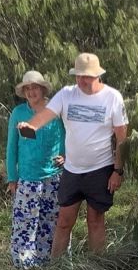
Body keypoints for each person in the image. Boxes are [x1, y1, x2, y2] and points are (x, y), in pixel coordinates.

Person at [18, 52, 128, 257]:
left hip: (100, 168)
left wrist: (118, 170)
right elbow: (47, 114)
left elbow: (122, 137)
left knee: (95, 221)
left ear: (97, 76)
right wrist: (30, 125)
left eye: (86, 76)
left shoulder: (112, 97)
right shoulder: (67, 94)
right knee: (63, 221)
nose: (81, 80)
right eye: (78, 76)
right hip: (72, 170)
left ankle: (98, 268)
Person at [5, 71, 65, 268]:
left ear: (42, 89)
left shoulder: (55, 110)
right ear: (24, 92)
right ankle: (24, 265)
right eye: (27, 88)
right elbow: (11, 147)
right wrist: (12, 178)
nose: (31, 92)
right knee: (25, 224)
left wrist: (65, 155)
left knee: (51, 222)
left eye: (35, 87)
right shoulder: (18, 113)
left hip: (53, 177)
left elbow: (65, 135)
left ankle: (51, 263)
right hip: (27, 178)